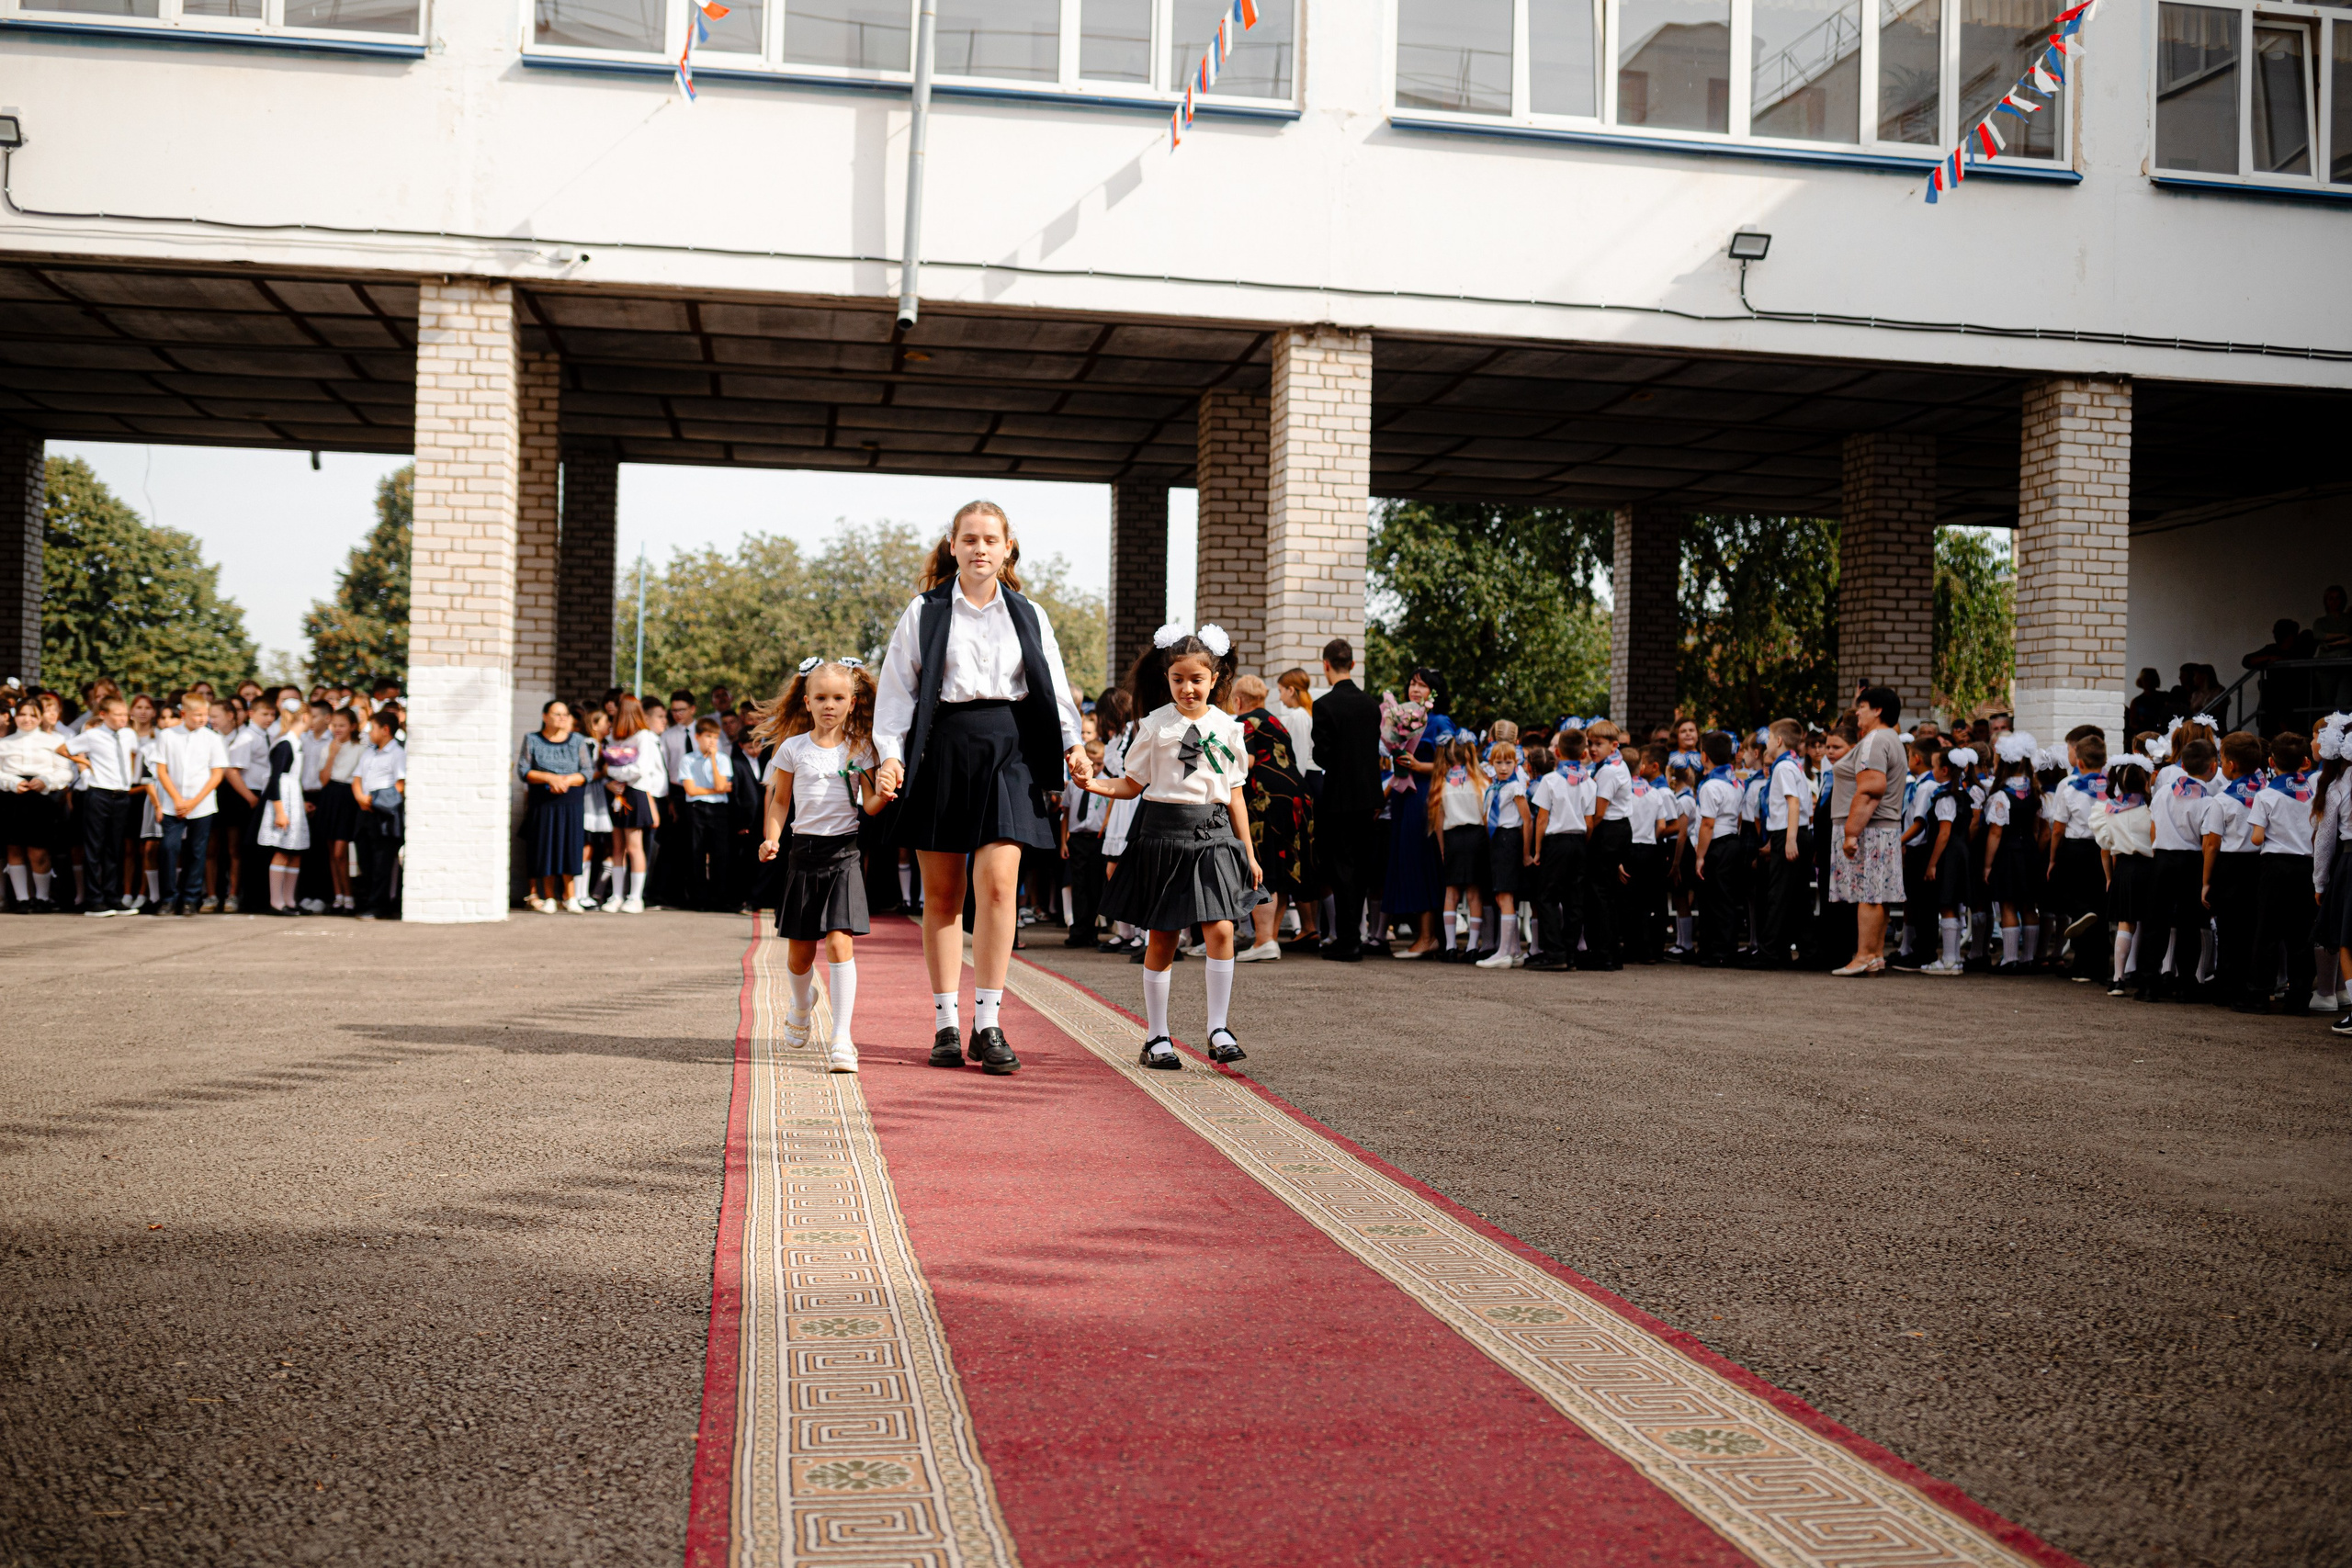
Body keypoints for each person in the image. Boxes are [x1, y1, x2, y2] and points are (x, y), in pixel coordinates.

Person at [872, 500, 1089, 1077]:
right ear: (952, 546)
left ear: (1007, 547)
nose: (980, 548)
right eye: (969, 539)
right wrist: (890, 759)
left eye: (990, 539)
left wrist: (1074, 746)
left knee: (997, 887)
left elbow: (1055, 687)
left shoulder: (1029, 614)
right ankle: (946, 1024)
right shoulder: (924, 612)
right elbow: (895, 695)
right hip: (942, 746)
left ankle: (988, 1022)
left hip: (1011, 748)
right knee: (942, 895)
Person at [1083, 623, 1261, 1069]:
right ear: (1166, 678)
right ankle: (1157, 1036)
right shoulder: (1153, 725)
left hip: (1215, 835)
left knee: (1221, 930)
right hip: (1163, 834)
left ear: (1215, 679)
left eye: (1196, 679)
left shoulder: (1229, 728)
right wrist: (1092, 784)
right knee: (1163, 936)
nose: (1187, 688)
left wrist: (1249, 852)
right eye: (1178, 678)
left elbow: (1235, 794)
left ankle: (1218, 1028)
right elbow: (1130, 785)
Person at [756, 658, 884, 1075]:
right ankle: (801, 1002)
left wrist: (885, 790)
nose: (830, 705)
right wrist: (772, 837)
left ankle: (842, 1038)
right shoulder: (793, 748)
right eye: (822, 697)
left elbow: (870, 805)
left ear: (852, 702)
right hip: (802, 856)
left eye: (839, 697)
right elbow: (779, 801)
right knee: (799, 955)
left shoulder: (861, 748)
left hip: (845, 855)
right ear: (807, 701)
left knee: (839, 943)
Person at [1230, 673, 1314, 964]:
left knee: (1262, 866)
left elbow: (1248, 761)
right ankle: (1270, 940)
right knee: (1281, 868)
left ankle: (1264, 939)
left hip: (1266, 798)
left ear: (1238, 700)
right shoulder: (1277, 722)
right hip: (1297, 796)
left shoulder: (1244, 722)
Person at [1309, 639, 1381, 963]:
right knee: (1362, 867)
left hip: (1338, 797)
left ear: (1326, 665)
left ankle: (1347, 940)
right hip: (1368, 797)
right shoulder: (1371, 704)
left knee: (1340, 868)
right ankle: (1357, 935)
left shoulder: (1324, 705)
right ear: (1352, 665)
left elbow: (1321, 755)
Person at [1828, 686, 1906, 976]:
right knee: (1877, 893)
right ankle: (1874, 955)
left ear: (1878, 710)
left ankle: (1863, 955)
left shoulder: (1875, 740)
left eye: (1862, 706)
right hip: (1879, 829)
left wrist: (1851, 832)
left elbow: (1871, 788)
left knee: (1869, 894)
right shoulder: (1890, 739)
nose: (1857, 711)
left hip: (1869, 829)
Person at [2246, 733, 2316, 1011]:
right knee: (2300, 934)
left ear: (2271, 762)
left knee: (2267, 932)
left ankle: (2259, 995)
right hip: (2306, 867)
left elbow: (2256, 837)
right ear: (2304, 762)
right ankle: (2299, 998)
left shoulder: (2265, 795)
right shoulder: (2313, 794)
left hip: (2275, 867)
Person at [149, 691, 230, 918]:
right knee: (168, 848)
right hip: (172, 803)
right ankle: (168, 898)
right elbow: (161, 770)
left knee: (197, 851)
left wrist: (194, 801)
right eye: (197, 715)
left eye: (205, 715)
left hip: (201, 804)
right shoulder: (167, 736)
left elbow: (217, 774)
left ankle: (190, 899)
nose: (202, 719)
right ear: (183, 713)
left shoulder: (213, 738)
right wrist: (177, 799)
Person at [1382, 671, 1444, 957]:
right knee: (1406, 861)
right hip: (1403, 795)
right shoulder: (1401, 717)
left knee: (1422, 862)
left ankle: (1429, 936)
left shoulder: (1441, 722)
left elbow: (1454, 764)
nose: (1415, 689)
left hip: (1426, 797)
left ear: (1434, 691)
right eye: (1412, 683)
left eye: (1422, 685)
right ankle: (1422, 934)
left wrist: (1420, 767)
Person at [518, 698, 595, 913]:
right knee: (546, 846)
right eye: (556, 714)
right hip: (543, 802)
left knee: (570, 846)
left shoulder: (578, 740)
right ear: (545, 717)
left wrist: (564, 781)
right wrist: (548, 778)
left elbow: (587, 772)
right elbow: (524, 770)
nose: (562, 718)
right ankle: (548, 896)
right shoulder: (532, 739)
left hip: (570, 801)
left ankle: (570, 896)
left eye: (565, 714)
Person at [2, 692, 76, 911]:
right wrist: (10, 781)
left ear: (41, 717)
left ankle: (42, 897)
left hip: (41, 797)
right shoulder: (4, 743)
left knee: (38, 849)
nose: (27, 719)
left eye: (32, 715)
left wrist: (46, 780)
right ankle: (23, 899)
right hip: (11, 796)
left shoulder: (55, 741)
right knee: (14, 848)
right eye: (22, 714)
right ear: (15, 716)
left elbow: (66, 772)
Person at [1525, 728, 1591, 972]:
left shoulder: (1550, 780)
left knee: (1548, 897)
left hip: (1556, 842)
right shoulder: (1589, 782)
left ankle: (1555, 952)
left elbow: (1542, 818)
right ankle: (1571, 952)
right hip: (1579, 841)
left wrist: (1538, 849)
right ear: (1584, 752)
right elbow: (1591, 820)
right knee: (1574, 899)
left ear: (1557, 752)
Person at [66, 695, 139, 916]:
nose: (122, 719)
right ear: (104, 715)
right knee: (94, 847)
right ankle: (94, 899)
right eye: (117, 715)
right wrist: (85, 764)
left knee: (114, 847)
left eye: (125, 715)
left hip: (122, 794)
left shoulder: (129, 734)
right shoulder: (93, 735)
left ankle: (113, 897)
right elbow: (63, 749)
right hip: (99, 794)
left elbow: (133, 755)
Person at [2095, 753, 2159, 998]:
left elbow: (2105, 849)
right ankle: (2148, 973)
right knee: (2150, 922)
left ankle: (2118, 977)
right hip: (2150, 867)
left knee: (2125, 922)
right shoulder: (2151, 809)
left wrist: (2110, 877)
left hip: (2123, 868)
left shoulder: (2109, 811)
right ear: (2145, 781)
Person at [1982, 735, 2045, 973]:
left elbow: (1995, 834)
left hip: (2008, 853)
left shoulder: (2001, 796)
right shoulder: (2035, 791)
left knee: (2008, 905)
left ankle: (2010, 958)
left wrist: (1987, 865)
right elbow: (2037, 829)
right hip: (2029, 850)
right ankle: (2028, 957)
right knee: (2029, 906)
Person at [600, 694, 664, 914]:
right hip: (616, 794)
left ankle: (635, 897)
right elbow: (604, 764)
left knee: (634, 846)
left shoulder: (644, 737)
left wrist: (613, 772)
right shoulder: (614, 737)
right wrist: (610, 778)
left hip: (635, 793)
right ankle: (616, 895)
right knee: (617, 846)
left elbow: (640, 769)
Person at [1426, 733, 1487, 962]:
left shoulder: (1442, 784)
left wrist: (1442, 848)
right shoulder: (1480, 783)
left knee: (1450, 893)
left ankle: (1451, 946)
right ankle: (1472, 947)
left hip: (1452, 838)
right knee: (1474, 893)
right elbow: (1486, 816)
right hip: (1476, 837)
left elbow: (1439, 821)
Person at [252, 694, 313, 915]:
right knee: (282, 851)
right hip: (281, 801)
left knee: (295, 851)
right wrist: (279, 810)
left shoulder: (296, 743)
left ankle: (290, 900)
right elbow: (275, 779)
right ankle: (276, 901)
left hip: (293, 798)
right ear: (305, 717)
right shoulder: (284, 744)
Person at [2310, 713, 2352, 1034]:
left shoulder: (2337, 785)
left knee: (2348, 940)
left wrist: (2319, 882)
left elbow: (2324, 839)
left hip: (2350, 863)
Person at [1582, 719, 1634, 970]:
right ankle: (1611, 951)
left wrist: (1587, 838)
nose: (1593, 748)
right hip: (1620, 829)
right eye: (1590, 743)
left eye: (1599, 744)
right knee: (1607, 894)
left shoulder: (1608, 772)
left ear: (1614, 745)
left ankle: (1603, 953)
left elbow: (1598, 813)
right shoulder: (1617, 765)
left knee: (1599, 894)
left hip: (1608, 831)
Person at [1474, 739, 1531, 968]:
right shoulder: (1494, 787)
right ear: (1492, 763)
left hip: (1509, 839)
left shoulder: (1515, 788)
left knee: (1506, 895)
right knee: (1500, 896)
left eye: (1508, 762)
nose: (1504, 767)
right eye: (1499, 762)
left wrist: (1526, 853)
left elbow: (1527, 820)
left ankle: (1504, 952)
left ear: (1516, 763)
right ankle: (1515, 950)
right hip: (1496, 841)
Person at [1690, 731, 1744, 966]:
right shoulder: (1735, 782)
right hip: (1732, 840)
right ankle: (1724, 948)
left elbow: (1707, 823)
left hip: (1717, 845)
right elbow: (1740, 816)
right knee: (1727, 898)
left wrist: (1700, 856)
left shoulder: (1710, 785)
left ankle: (1716, 951)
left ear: (1704, 756)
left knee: (1713, 899)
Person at [351, 710, 406, 919]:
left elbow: (399, 785)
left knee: (382, 861)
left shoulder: (397, 753)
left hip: (384, 812)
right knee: (365, 859)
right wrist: (360, 797)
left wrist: (376, 800)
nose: (369, 732)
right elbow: (357, 777)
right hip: (364, 808)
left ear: (385, 730)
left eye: (372, 728)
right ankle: (367, 901)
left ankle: (379, 906)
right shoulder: (369, 752)